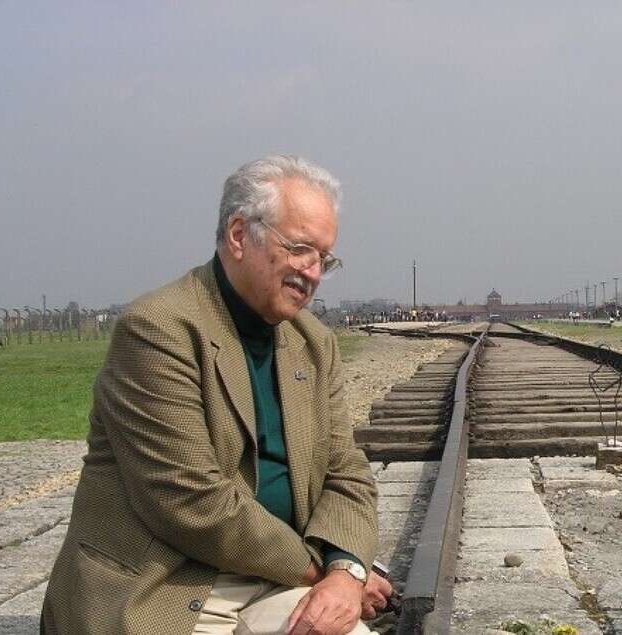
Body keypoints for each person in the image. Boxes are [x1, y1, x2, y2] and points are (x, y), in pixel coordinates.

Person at [41, 156, 390, 635]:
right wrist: (328, 572)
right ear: (240, 235)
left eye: (324, 259)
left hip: (277, 579)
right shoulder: (158, 331)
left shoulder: (313, 342)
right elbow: (192, 500)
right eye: (301, 249)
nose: (312, 272)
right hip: (167, 584)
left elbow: (345, 470)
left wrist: (346, 568)